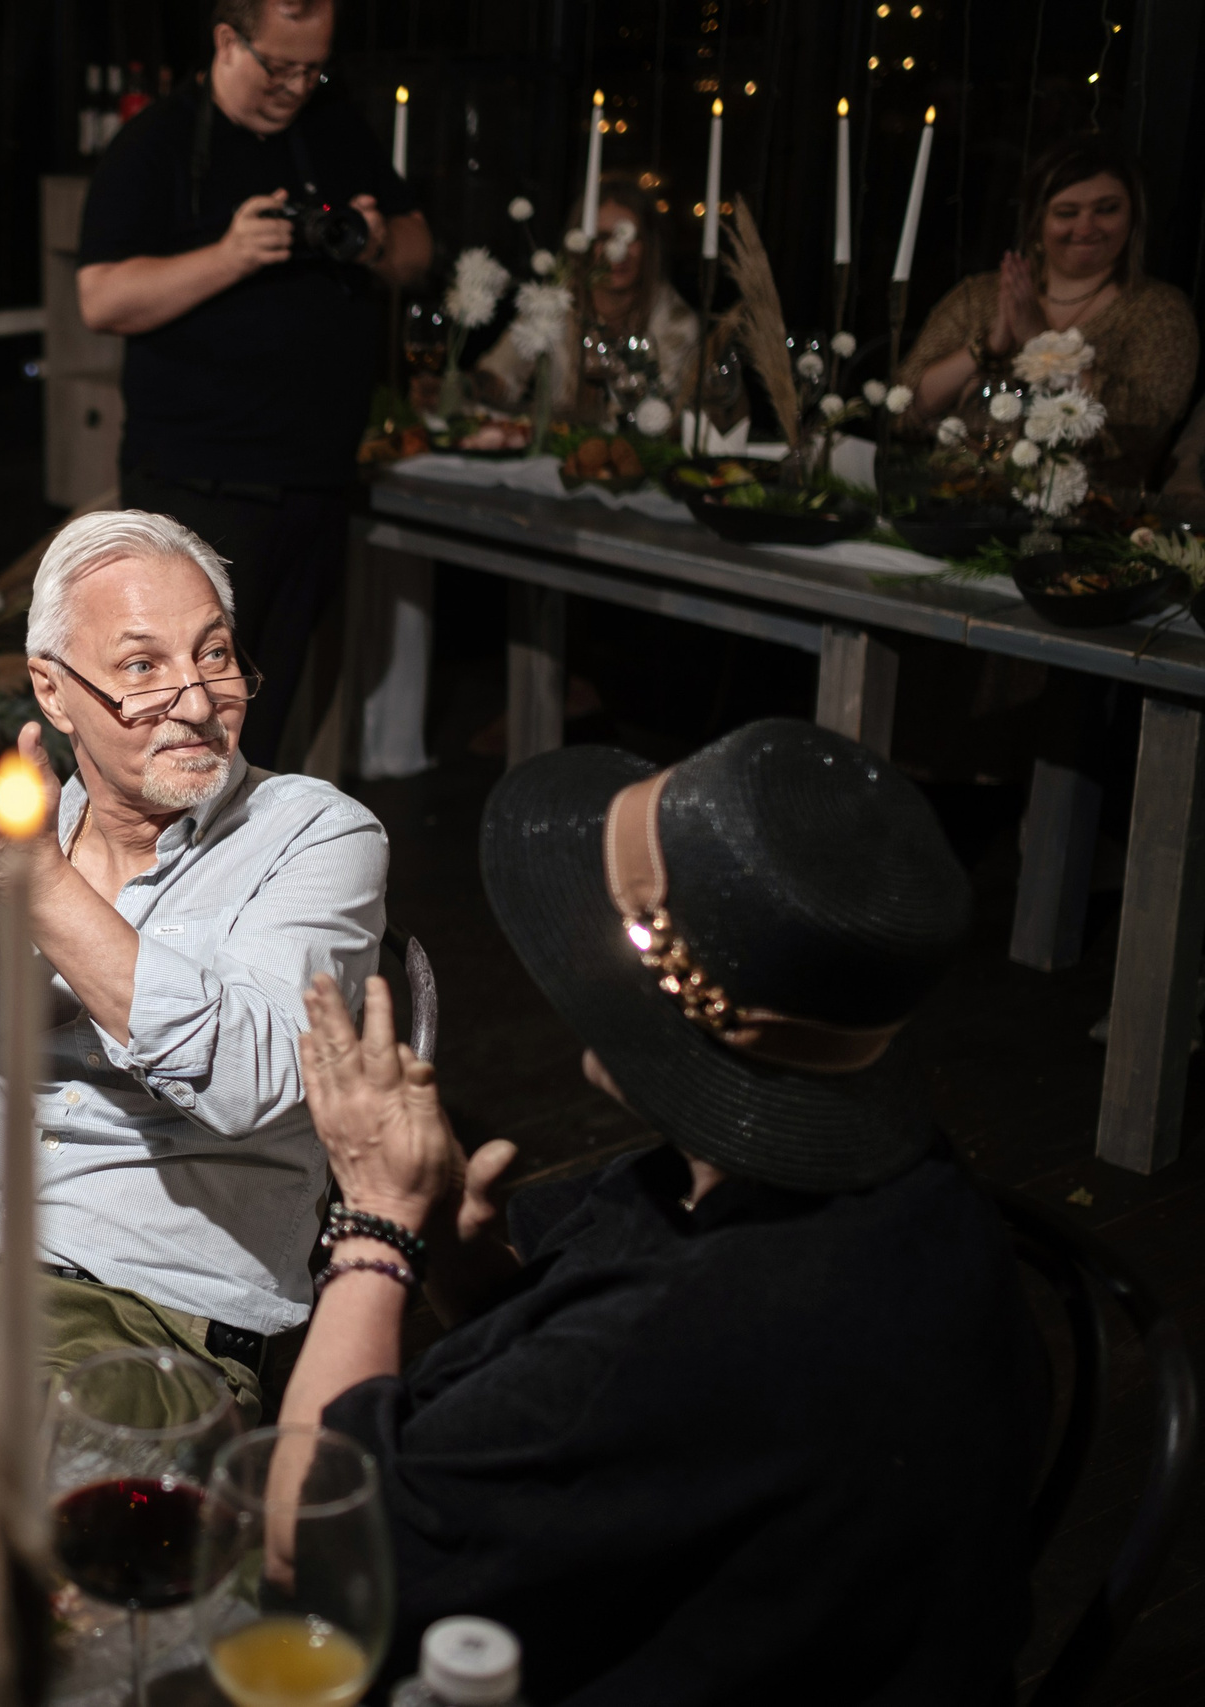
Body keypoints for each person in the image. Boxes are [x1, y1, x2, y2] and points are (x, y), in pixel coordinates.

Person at [278, 718, 1040, 1698]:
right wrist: (466, 1262)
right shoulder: (913, 1194)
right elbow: (618, 1446)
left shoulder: (691, 1331)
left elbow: (310, 1548)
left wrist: (375, 1223)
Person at [0, 509, 389, 1423]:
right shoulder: (21, 832)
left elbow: (249, 1079)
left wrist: (33, 877)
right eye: (141, 668)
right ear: (52, 688)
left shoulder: (315, 835)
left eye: (215, 656)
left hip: (156, 1325)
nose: (196, 702)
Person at [77, 0, 430, 769]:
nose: (298, 86)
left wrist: (372, 243)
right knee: (174, 731)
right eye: (280, 66)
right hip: (198, 490)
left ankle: (245, 882)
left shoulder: (334, 124)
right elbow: (101, 297)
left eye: (315, 67)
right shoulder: (158, 142)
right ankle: (146, 886)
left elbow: (416, 249)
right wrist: (230, 255)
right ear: (227, 40)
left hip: (315, 481)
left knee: (264, 731)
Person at [899, 132, 1197, 486]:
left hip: (1087, 517)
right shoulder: (981, 295)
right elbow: (906, 407)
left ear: (1133, 218)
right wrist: (988, 348)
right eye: (1067, 212)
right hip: (951, 496)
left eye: (1107, 210)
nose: (1086, 228)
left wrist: (1040, 342)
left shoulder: (1159, 311)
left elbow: (1143, 425)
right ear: (1037, 221)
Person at [474, 174, 701, 413]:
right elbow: (500, 371)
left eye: (630, 237)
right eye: (603, 237)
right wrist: (465, 386)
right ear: (581, 244)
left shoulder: (676, 320)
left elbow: (653, 405)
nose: (618, 252)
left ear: (650, 245)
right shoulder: (559, 301)